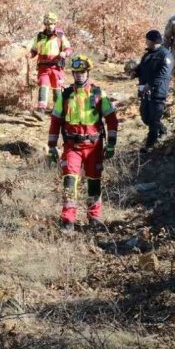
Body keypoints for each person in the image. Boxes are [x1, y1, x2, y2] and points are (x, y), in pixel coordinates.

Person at [46, 55, 119, 231]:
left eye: (83, 72)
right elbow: (55, 120)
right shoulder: (65, 95)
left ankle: (94, 217)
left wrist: (111, 144)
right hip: (72, 146)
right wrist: (52, 146)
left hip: (94, 146)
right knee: (69, 181)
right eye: (76, 72)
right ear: (73, 74)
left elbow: (111, 119)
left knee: (94, 181)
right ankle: (67, 219)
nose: (79, 75)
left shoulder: (98, 94)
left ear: (88, 73)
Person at [29, 11, 73, 119]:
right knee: (43, 85)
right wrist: (30, 55)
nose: (49, 26)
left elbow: (68, 48)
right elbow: (34, 50)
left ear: (55, 24)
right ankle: (41, 110)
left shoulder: (60, 35)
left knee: (57, 88)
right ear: (45, 24)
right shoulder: (40, 36)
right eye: (47, 24)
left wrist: (65, 53)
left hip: (56, 67)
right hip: (43, 67)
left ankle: (58, 110)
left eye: (51, 24)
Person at [137, 30, 174, 153]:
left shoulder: (165, 55)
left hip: (158, 92)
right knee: (145, 117)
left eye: (147, 40)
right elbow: (141, 68)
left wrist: (151, 84)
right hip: (144, 91)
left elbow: (164, 73)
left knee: (153, 119)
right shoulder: (147, 55)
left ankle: (149, 145)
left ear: (153, 41)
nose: (146, 42)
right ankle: (162, 130)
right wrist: (134, 72)